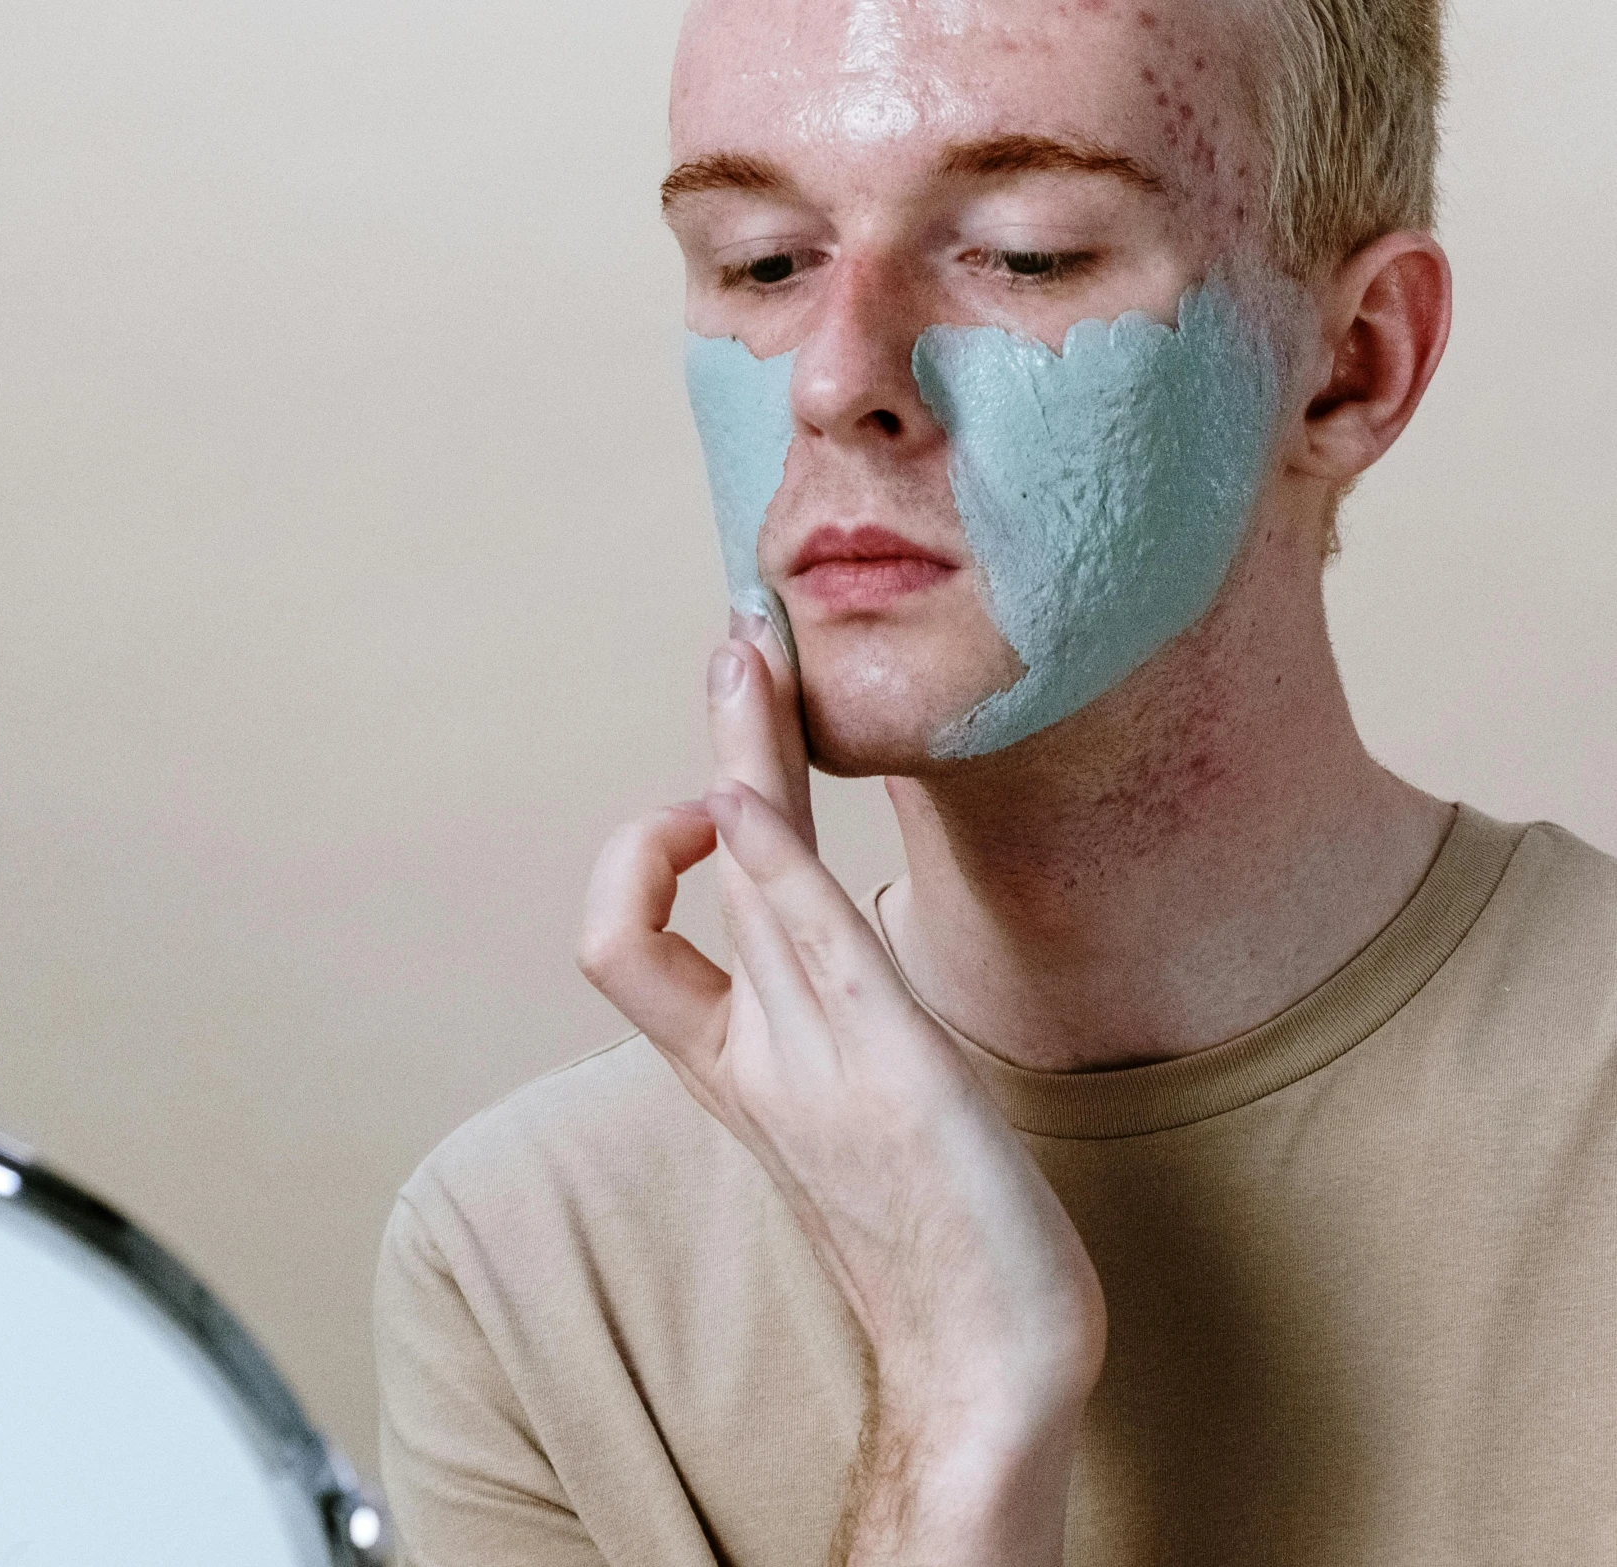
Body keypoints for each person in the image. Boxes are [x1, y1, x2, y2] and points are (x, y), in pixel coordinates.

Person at [371, 0, 1617, 1563]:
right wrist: (959, 1386)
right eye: (761, 260)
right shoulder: (536, 1270)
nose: (836, 380)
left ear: (1349, 366)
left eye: (1022, 254)